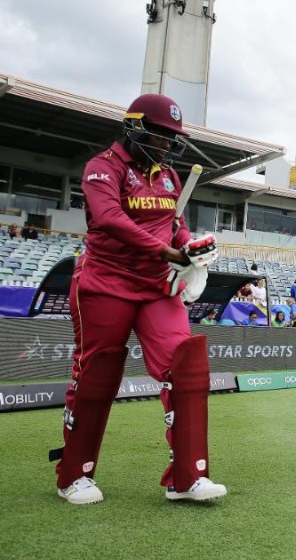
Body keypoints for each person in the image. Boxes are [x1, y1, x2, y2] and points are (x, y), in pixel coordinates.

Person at [51, 94, 226, 505]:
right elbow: (110, 219)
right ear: (133, 127)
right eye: (161, 135)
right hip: (104, 283)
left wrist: (192, 245)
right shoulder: (102, 168)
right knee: (98, 376)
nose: (167, 144)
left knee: (186, 367)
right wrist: (168, 252)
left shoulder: (169, 176)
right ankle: (73, 475)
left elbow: (176, 225)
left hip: (156, 289)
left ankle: (186, 477)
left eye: (172, 138)